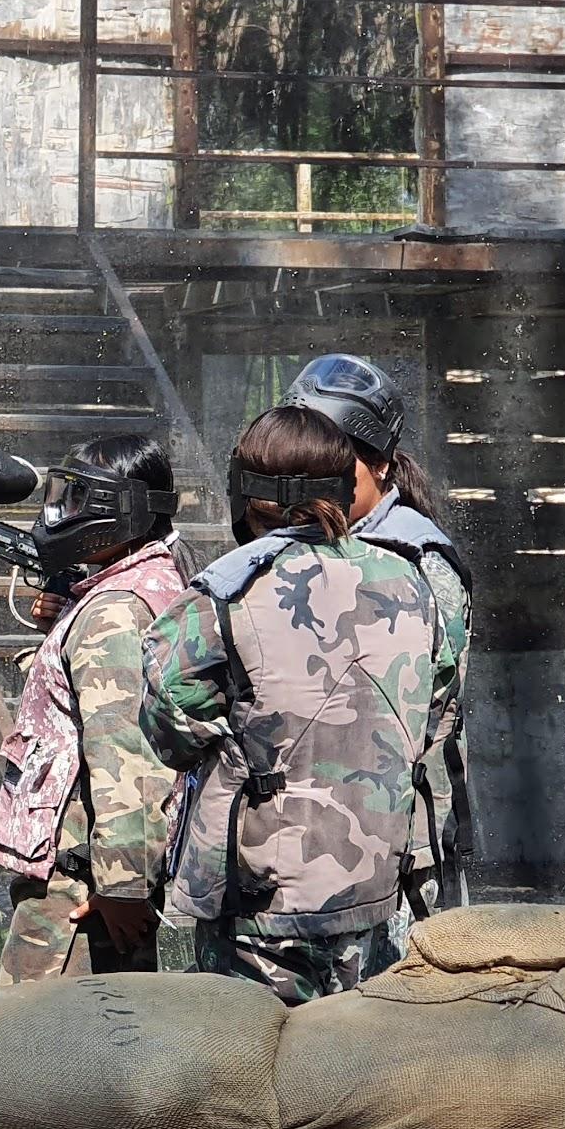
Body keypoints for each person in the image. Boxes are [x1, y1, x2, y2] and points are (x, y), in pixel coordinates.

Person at [140, 405, 459, 1005]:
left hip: (261, 904)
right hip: (376, 887)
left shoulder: (225, 591)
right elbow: (438, 708)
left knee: (244, 1077)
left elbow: (169, 726)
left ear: (247, 494)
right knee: (357, 1072)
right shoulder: (413, 580)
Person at [280, 354, 474, 935]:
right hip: (311, 831)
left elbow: (429, 708)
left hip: (393, 835)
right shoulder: (302, 546)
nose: (318, 483)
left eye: (336, 468)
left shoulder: (414, 557)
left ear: (383, 467)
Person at [0, 433, 192, 983]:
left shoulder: (116, 613)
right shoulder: (137, 587)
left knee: (39, 1051)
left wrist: (123, 887)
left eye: (78, 500)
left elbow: (129, 755)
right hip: (93, 880)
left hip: (83, 894)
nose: (60, 513)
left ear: (117, 510)